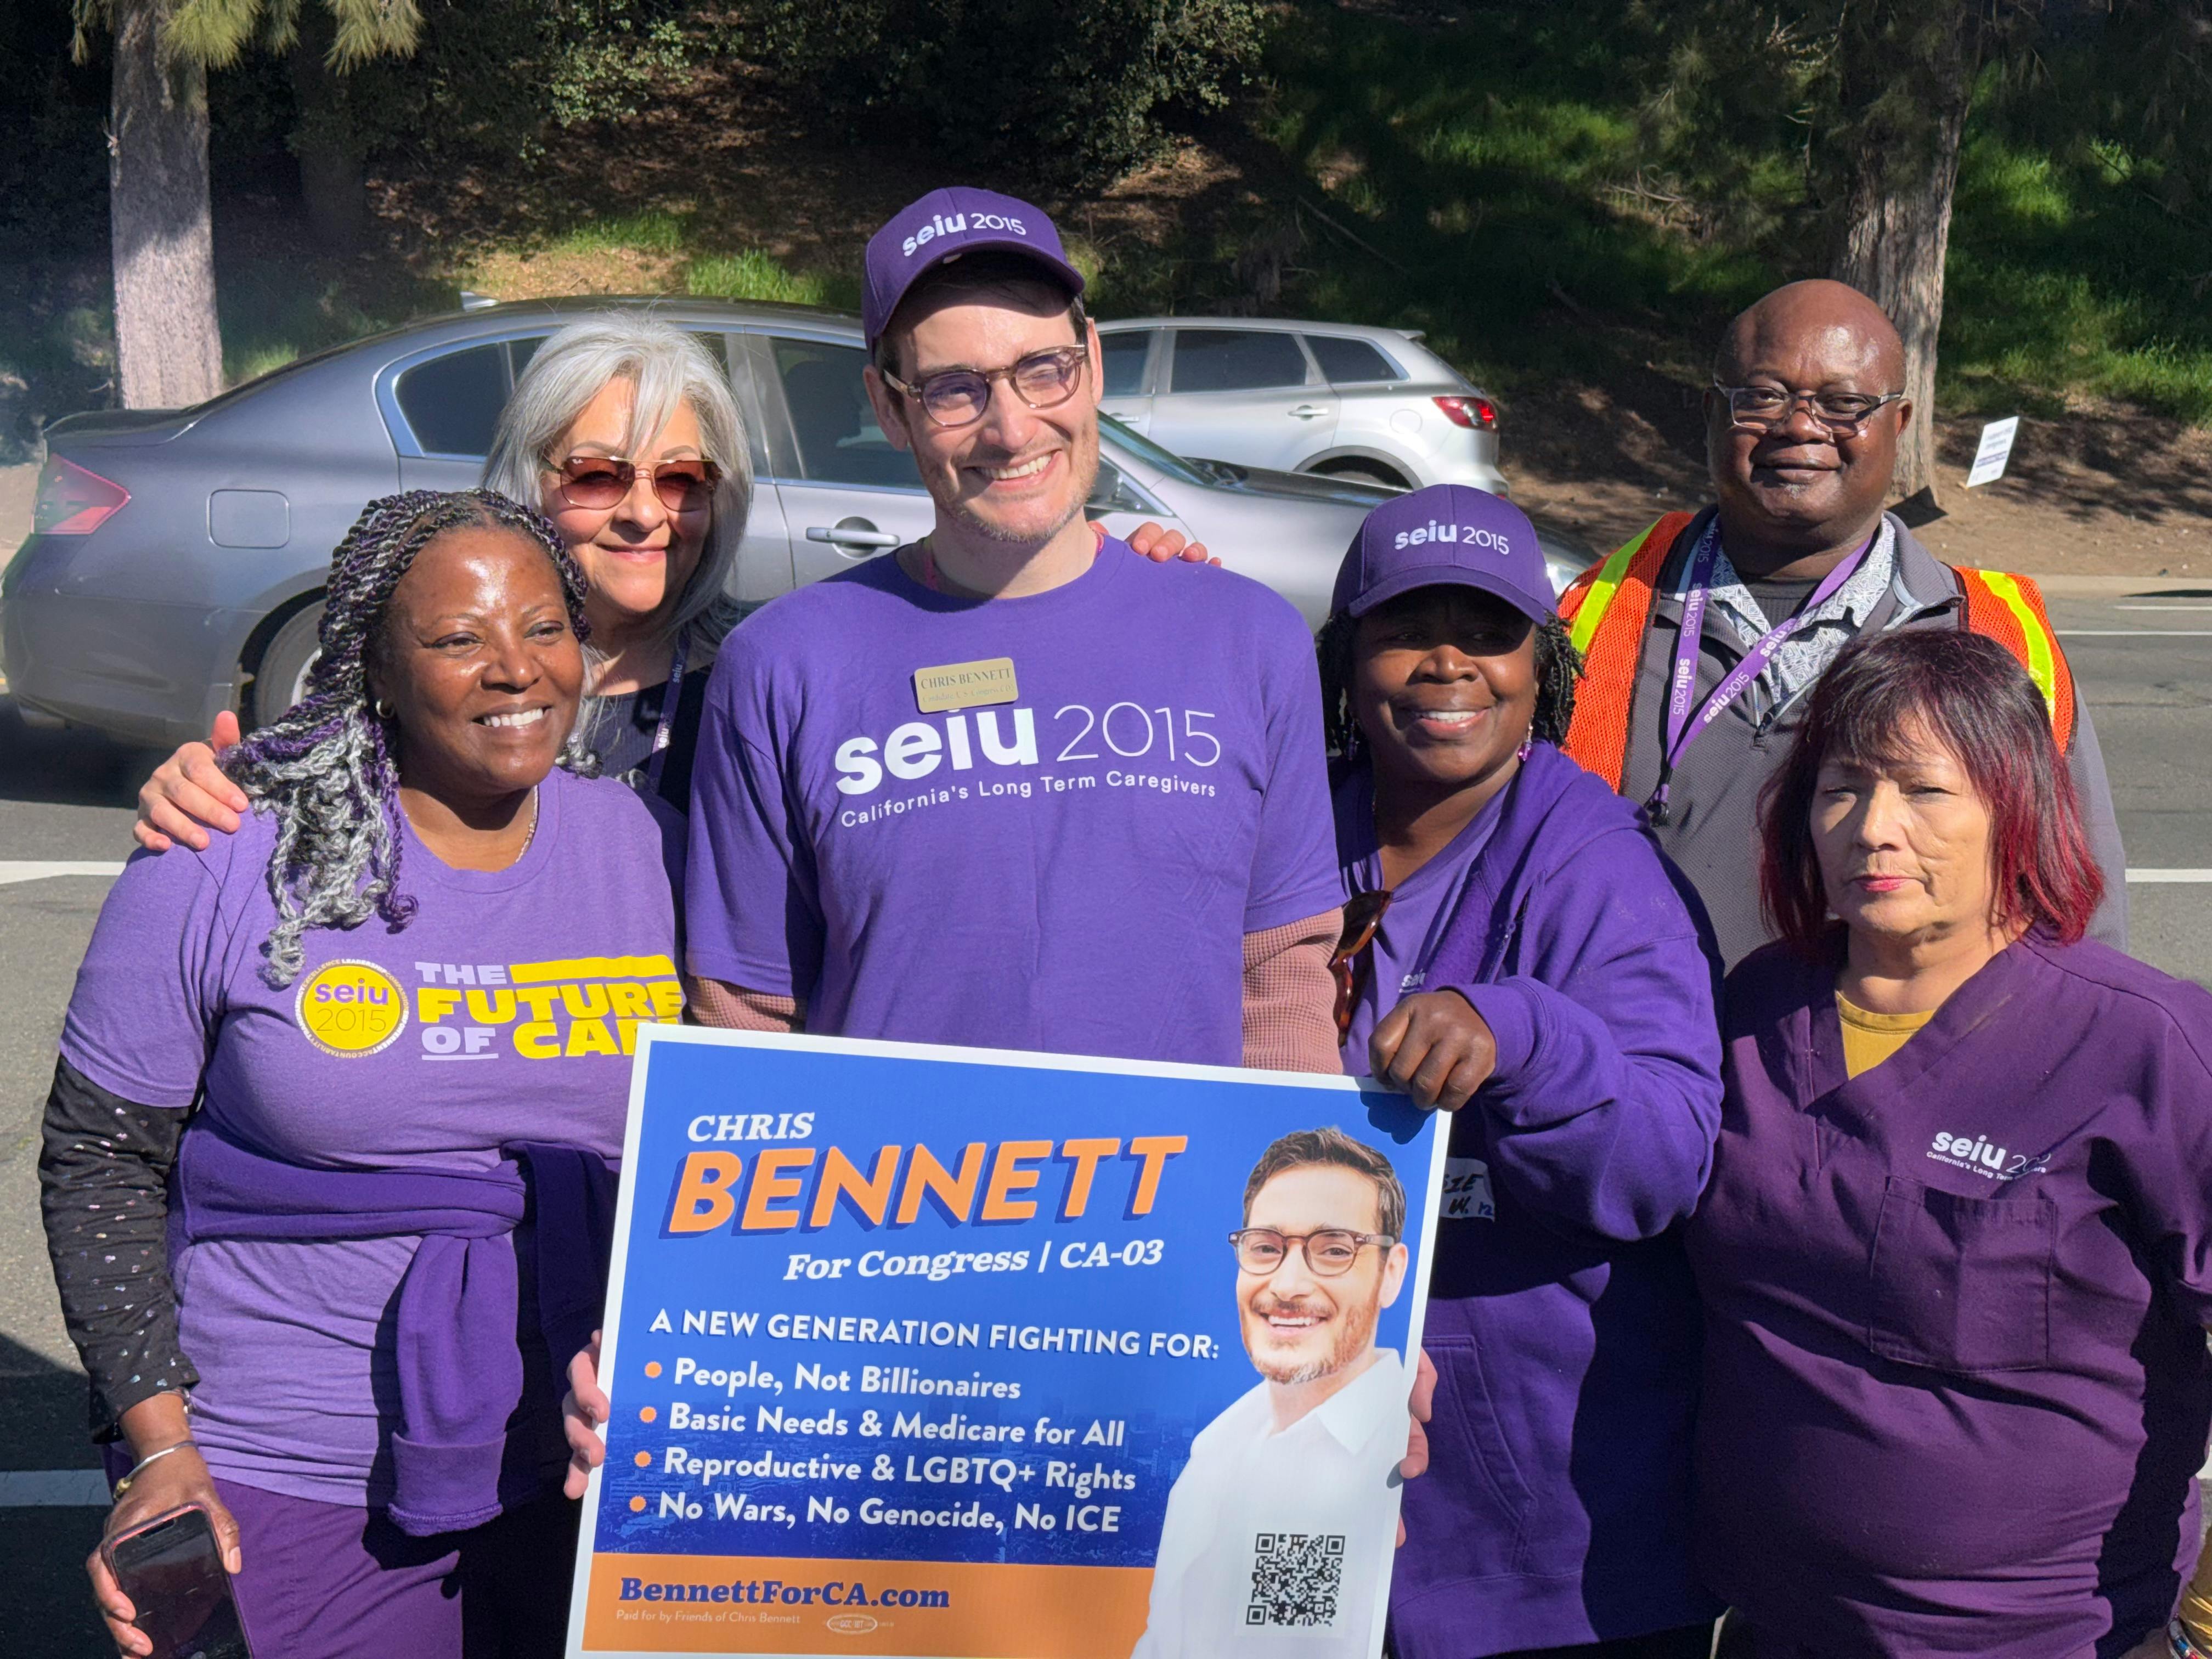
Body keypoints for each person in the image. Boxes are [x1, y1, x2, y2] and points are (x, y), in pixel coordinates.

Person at [42, 490, 683, 1659]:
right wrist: (162, 1452)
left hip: (587, 1469)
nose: (514, 669)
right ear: (375, 669)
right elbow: (101, 1158)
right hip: (296, 1474)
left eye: (545, 629)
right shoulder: (228, 849)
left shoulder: (630, 844)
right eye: (456, 640)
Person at [1688, 628, 2212, 1658]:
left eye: (1923, 790)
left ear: (2011, 808)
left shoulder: (2141, 1043)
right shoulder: (1750, 1010)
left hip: (2050, 1637)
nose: (1873, 827)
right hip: (1772, 1627)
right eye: (1841, 787)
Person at [1323, 484, 1724, 1658]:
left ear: (1541, 668)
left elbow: (1662, 1164)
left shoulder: (1595, 863)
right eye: (1407, 628)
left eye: (1489, 631)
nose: (1449, 662)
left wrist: (1524, 1038)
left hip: (1542, 1542)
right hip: (1299, 1492)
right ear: (1347, 662)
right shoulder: (1283, 833)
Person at [1554, 278, 2125, 966]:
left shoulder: (1991, 636)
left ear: (1901, 423)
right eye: (1763, 396)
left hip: (1895, 1067)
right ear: (1712, 413)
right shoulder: (1594, 613)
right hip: (1631, 1062)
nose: (1799, 427)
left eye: (1843, 403)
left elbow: (2079, 916)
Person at [134, 313, 754, 833]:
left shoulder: (771, 677)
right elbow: (310, 812)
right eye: (597, 476)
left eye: (681, 479)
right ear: (523, 484)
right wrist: (200, 793)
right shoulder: (427, 681)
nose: (645, 513)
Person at [1134, 1128, 1412, 1659]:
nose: (1286, 1285)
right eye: (1266, 1247)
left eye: (1334, 1250)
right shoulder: (1215, 1451)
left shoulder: (1405, 1456)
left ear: (1392, 1272)